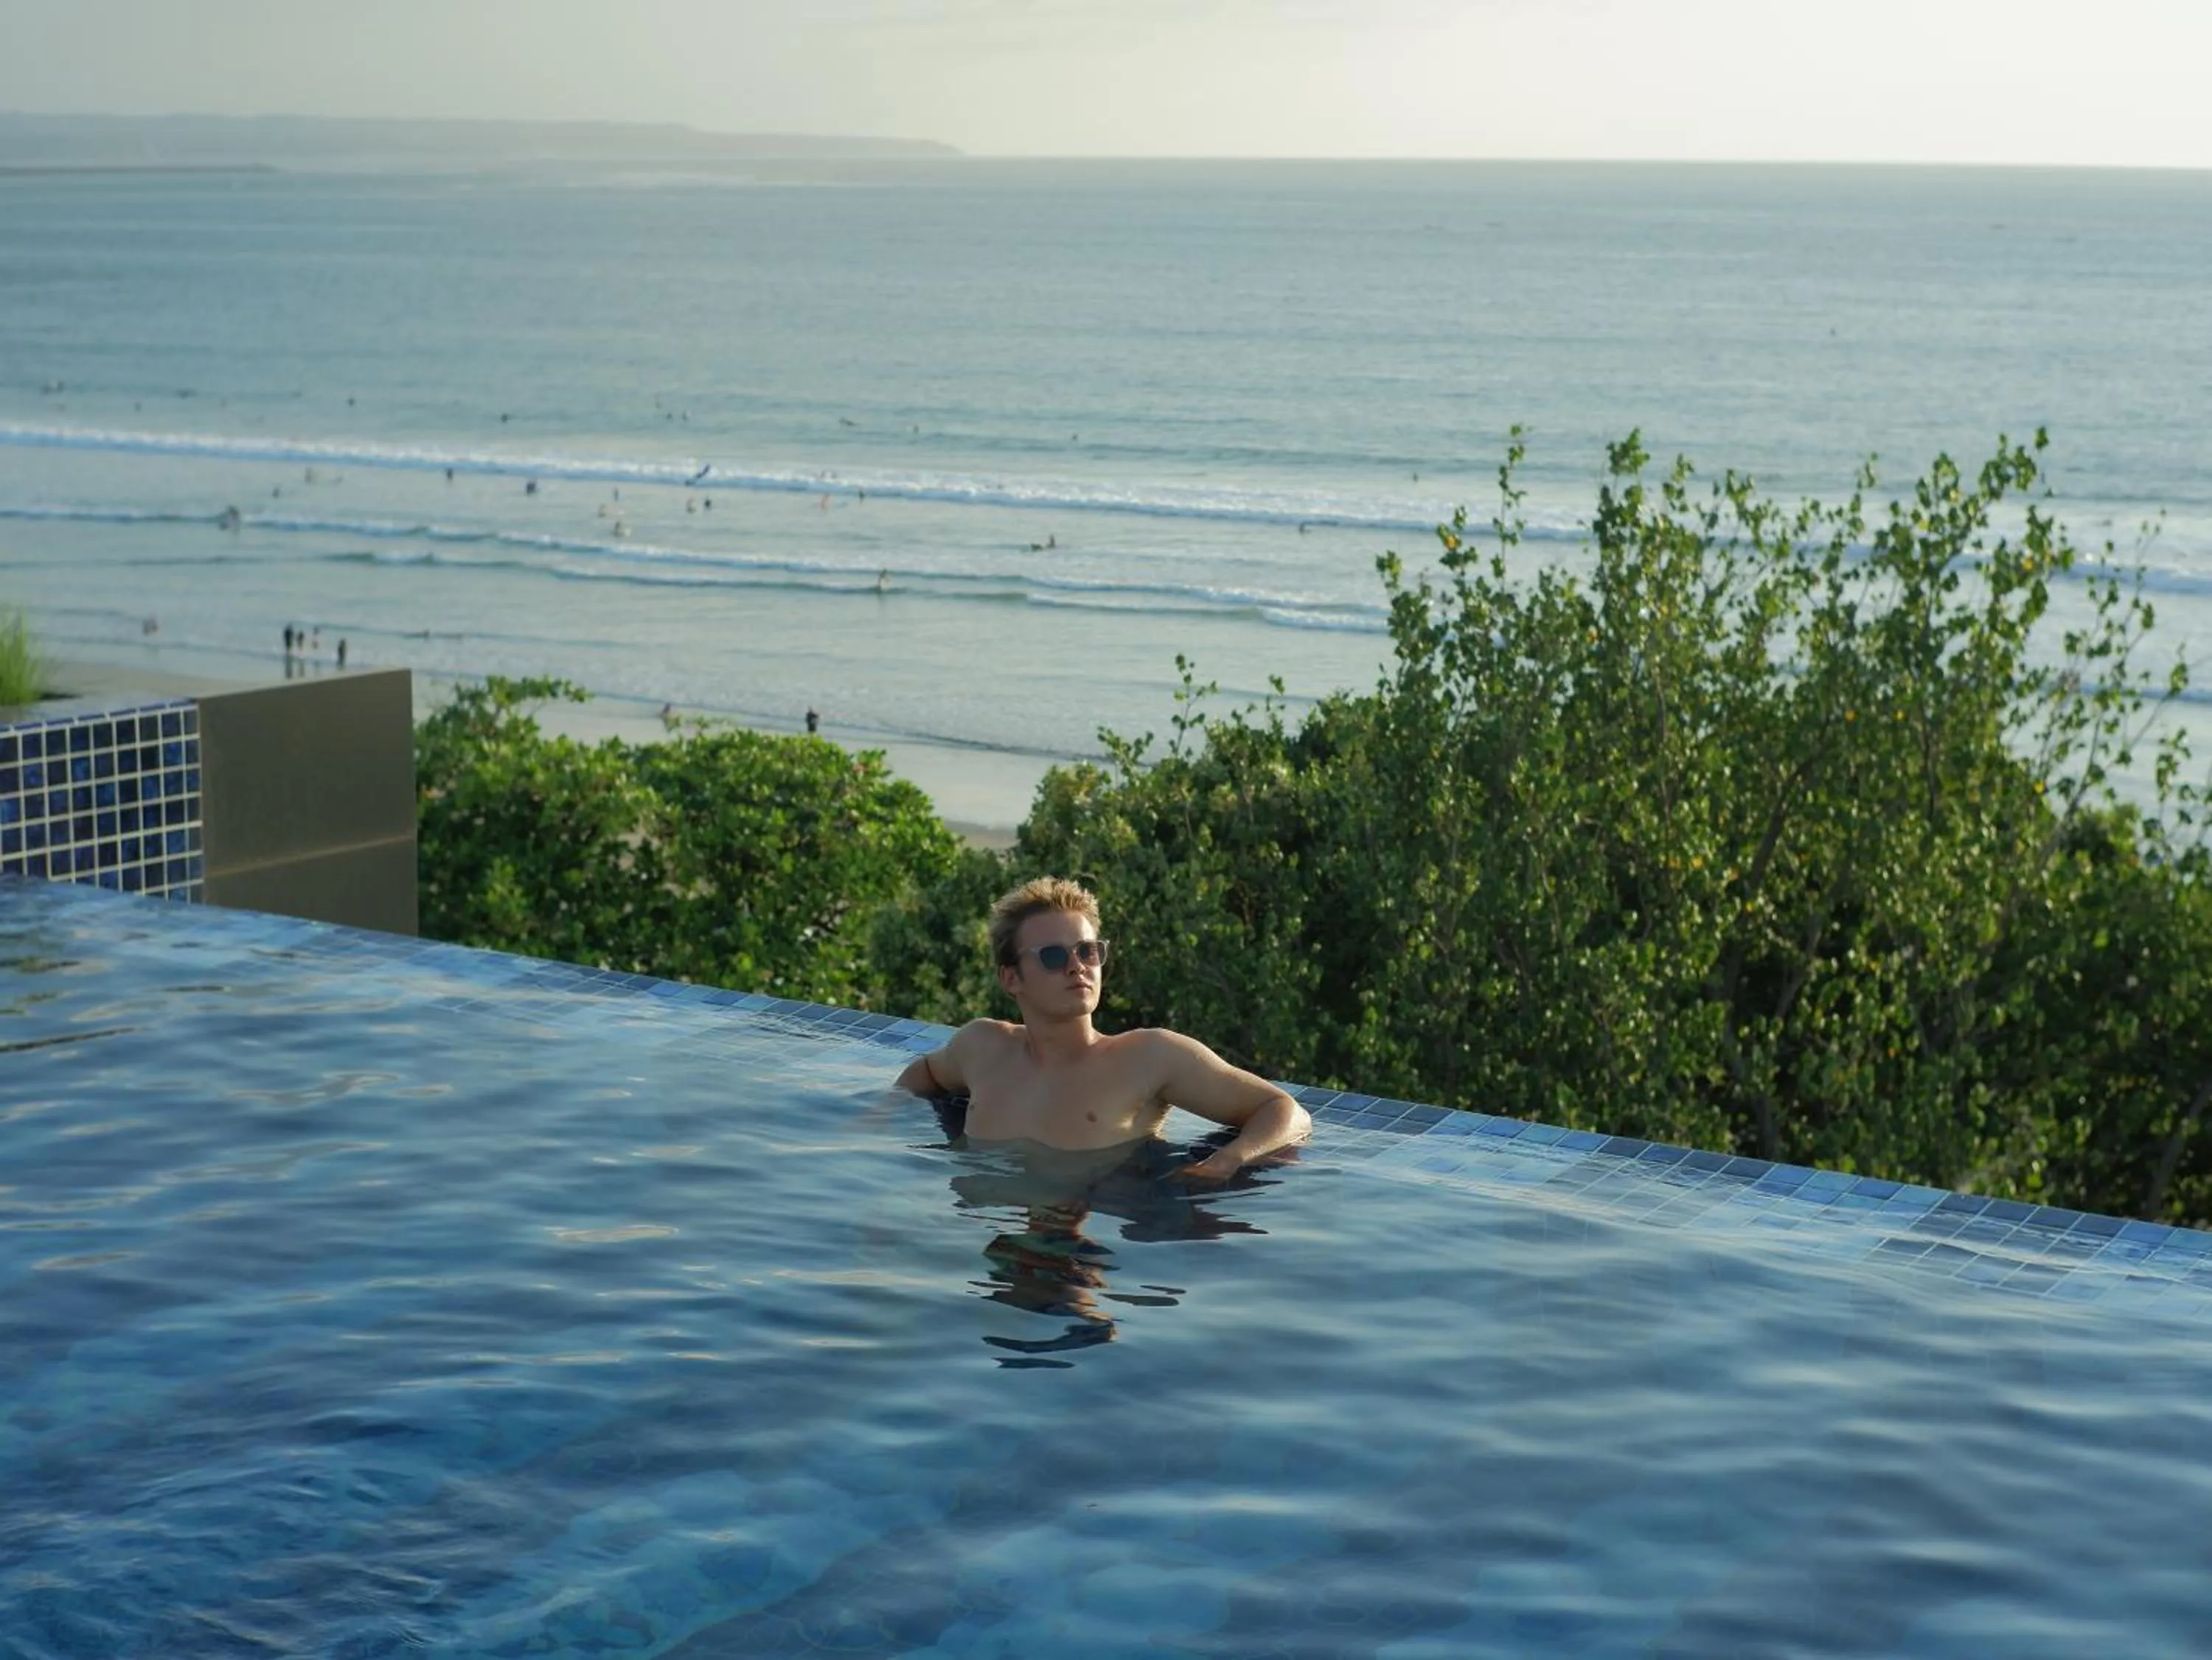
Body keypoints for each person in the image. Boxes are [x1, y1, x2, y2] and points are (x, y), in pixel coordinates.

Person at [895, 877, 1311, 1181]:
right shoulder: (982, 1046)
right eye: (1054, 956)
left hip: (1079, 1241)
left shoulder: (1149, 1057)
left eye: (1088, 951)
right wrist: (876, 1124)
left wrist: (1228, 1160)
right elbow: (925, 1074)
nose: (1077, 966)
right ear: (1012, 979)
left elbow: (1286, 1112)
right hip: (974, 1241)